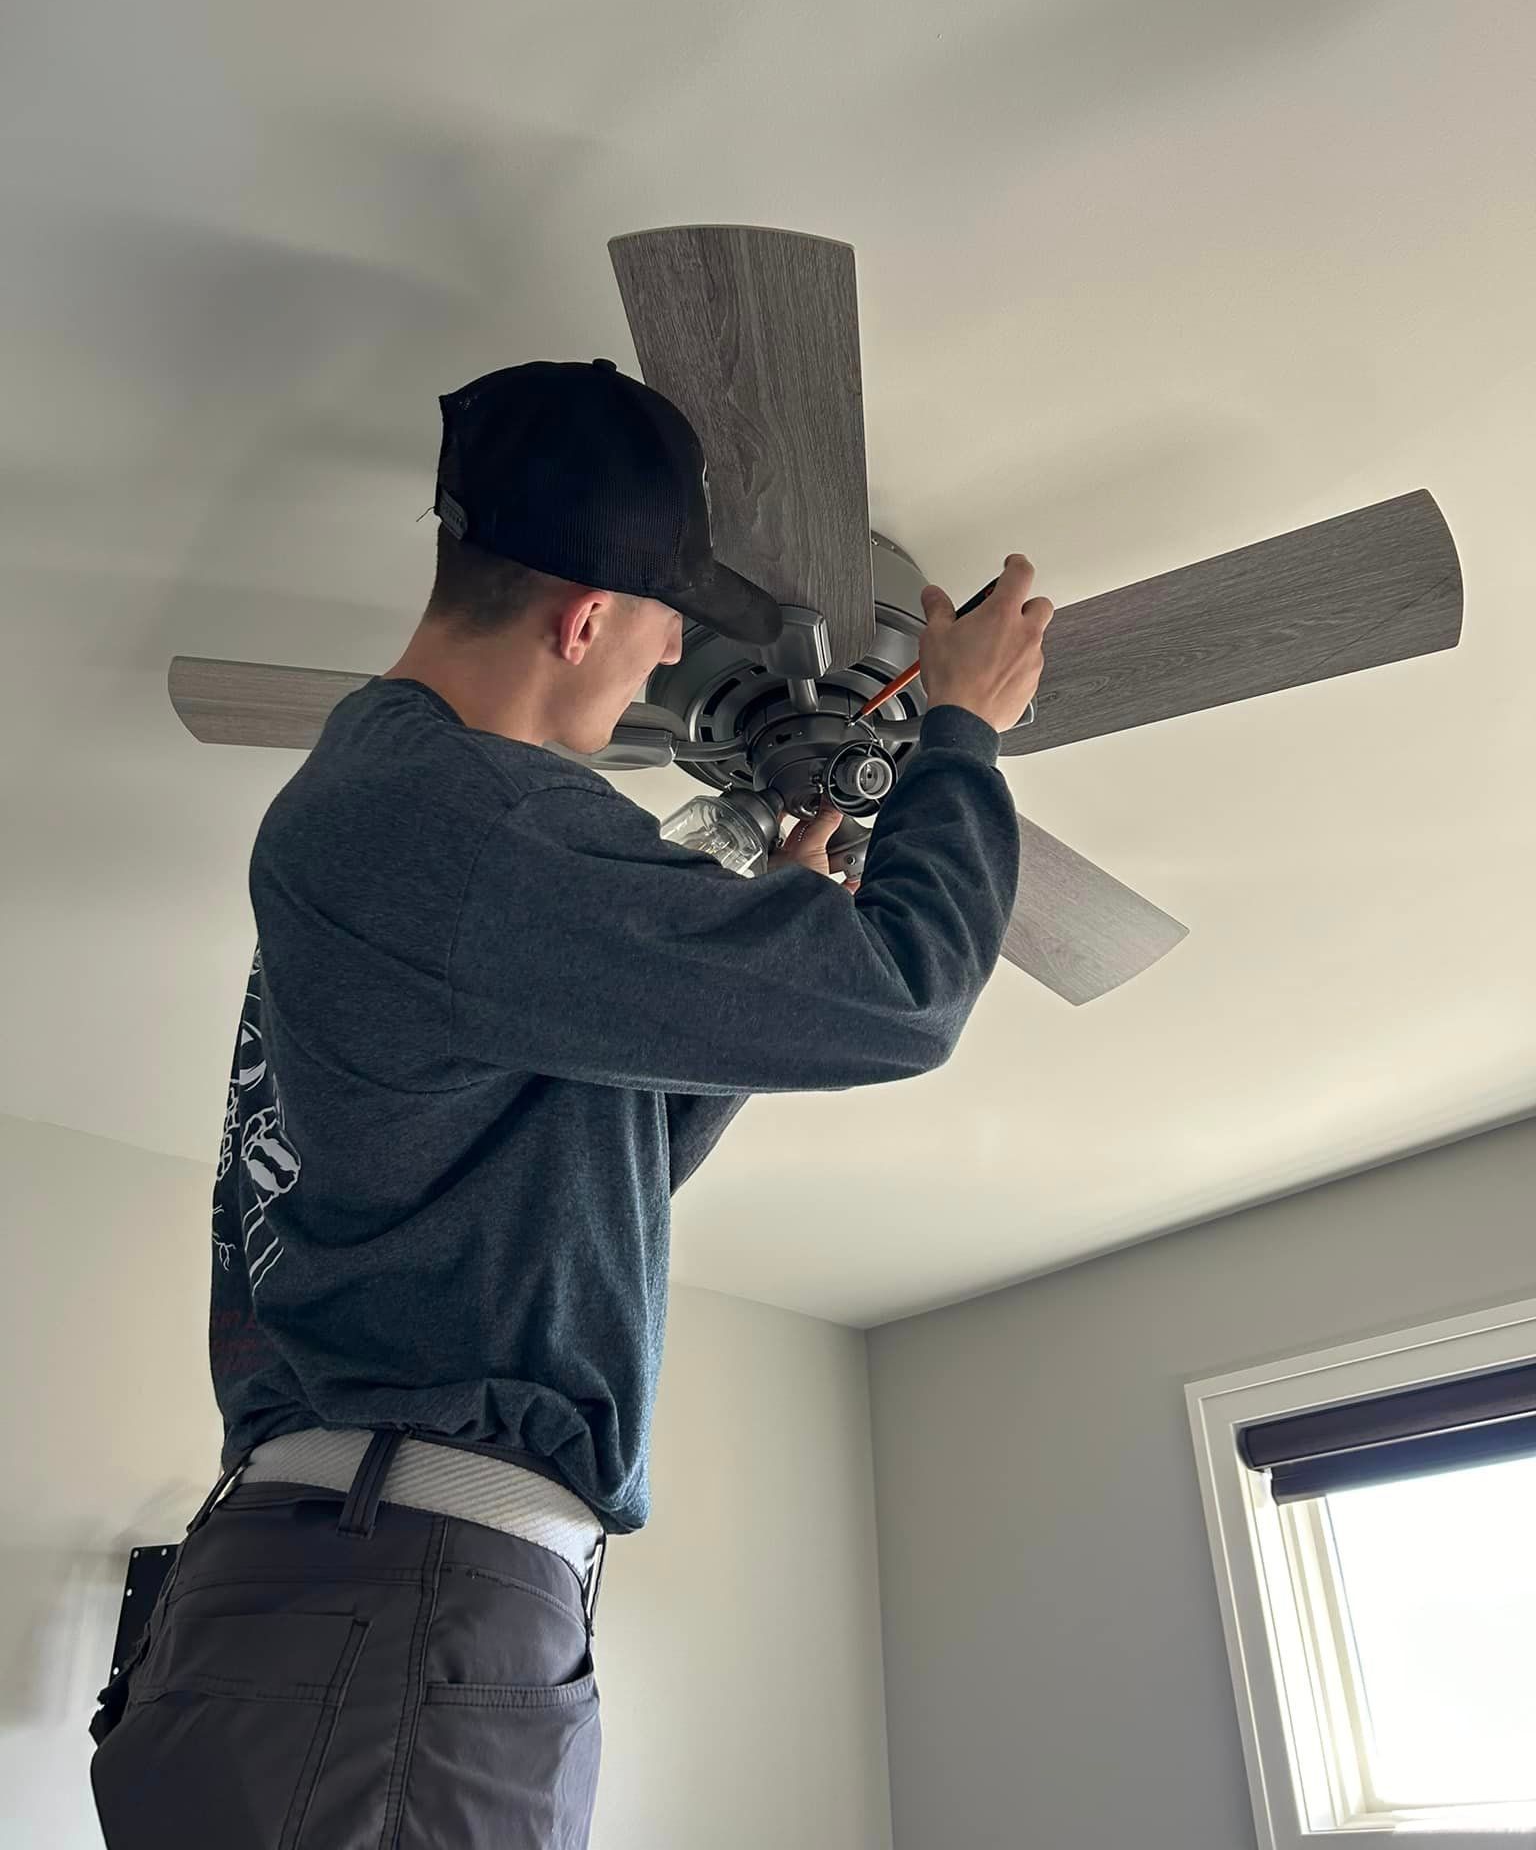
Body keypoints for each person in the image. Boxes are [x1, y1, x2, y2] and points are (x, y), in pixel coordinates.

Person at [89, 358, 1052, 1849]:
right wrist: (962, 737)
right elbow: (904, 997)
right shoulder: (463, 824)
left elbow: (599, 1170)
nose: (665, 665)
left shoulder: (390, 810)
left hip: (365, 1597)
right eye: (666, 630)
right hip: (400, 1598)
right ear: (586, 617)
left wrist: (734, 973)